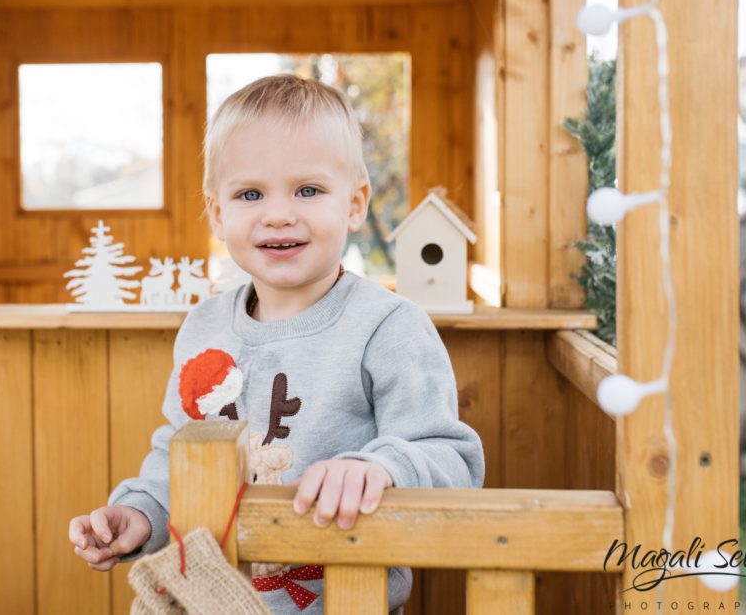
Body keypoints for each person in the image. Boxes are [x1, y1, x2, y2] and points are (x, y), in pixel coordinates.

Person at [68, 74, 485, 614]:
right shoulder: (203, 328)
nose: (278, 213)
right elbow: (180, 455)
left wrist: (379, 468)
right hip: (211, 602)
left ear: (355, 205)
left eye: (308, 190)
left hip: (344, 603)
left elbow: (453, 461)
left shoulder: (389, 327)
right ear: (218, 213)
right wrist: (142, 512)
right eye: (250, 194)